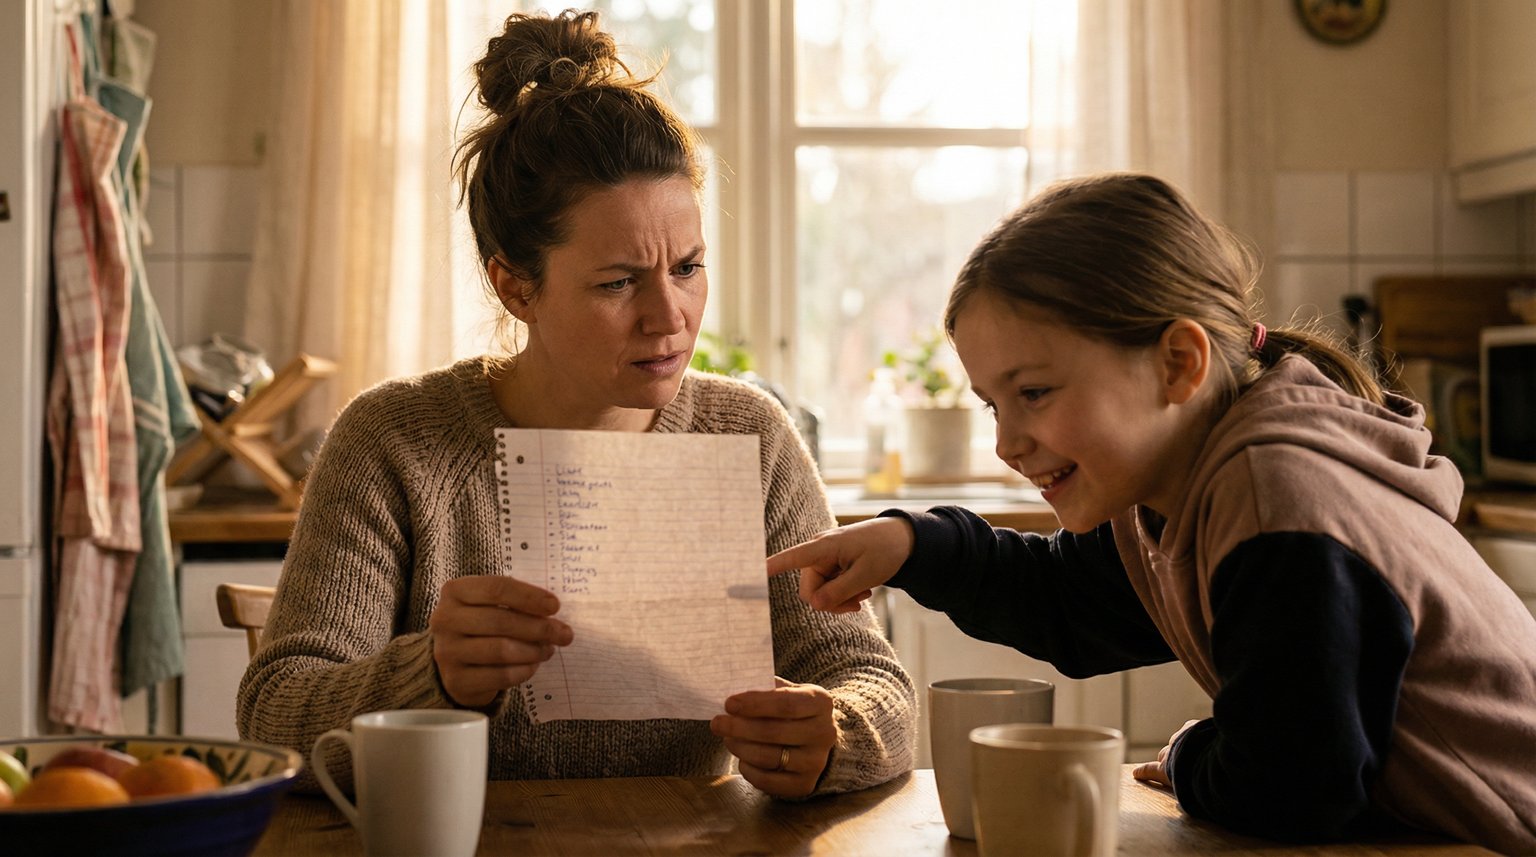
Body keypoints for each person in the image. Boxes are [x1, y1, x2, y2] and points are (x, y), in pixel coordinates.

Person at [237, 9, 915, 800]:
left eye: (688, 267)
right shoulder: (393, 442)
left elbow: (875, 684)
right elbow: (272, 715)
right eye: (618, 281)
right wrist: (432, 676)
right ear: (515, 285)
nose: (670, 317)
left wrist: (833, 730)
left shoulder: (751, 437)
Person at [767, 173, 1536, 851]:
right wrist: (914, 545)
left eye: (1033, 392)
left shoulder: (1274, 496)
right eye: (992, 403)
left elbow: (1292, 790)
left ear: (1178, 363)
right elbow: (1067, 602)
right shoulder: (1176, 489)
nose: (1006, 441)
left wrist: (1188, 755)